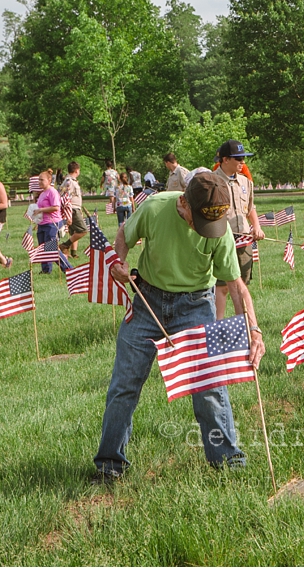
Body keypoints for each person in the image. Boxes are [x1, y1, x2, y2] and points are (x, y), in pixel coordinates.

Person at [92, 171, 266, 483]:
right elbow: (123, 233)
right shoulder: (155, 207)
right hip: (148, 302)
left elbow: (236, 286)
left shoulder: (219, 232)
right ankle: (109, 465)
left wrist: (253, 331)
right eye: (196, 220)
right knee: (124, 384)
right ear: (183, 202)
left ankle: (227, 462)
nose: (201, 230)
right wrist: (118, 260)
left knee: (209, 386)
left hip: (196, 306)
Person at [213, 139, 265, 319]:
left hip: (243, 239)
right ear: (225, 159)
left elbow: (250, 208)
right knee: (222, 285)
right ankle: (218, 324)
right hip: (220, 240)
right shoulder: (213, 182)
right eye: (238, 159)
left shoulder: (245, 182)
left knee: (241, 284)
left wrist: (256, 226)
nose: (242, 162)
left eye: (243, 158)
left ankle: (241, 324)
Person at [30, 169, 61, 274]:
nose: (39, 182)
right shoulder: (43, 193)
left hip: (51, 223)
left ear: (49, 180)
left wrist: (41, 210)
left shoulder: (52, 192)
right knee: (42, 248)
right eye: (38, 180)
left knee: (51, 248)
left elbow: (56, 207)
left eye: (41, 180)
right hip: (42, 224)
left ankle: (68, 268)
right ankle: (46, 270)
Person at [59, 162, 87, 259]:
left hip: (76, 208)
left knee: (74, 232)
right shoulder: (69, 181)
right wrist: (69, 212)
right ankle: (64, 245)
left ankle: (72, 253)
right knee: (83, 230)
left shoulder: (71, 180)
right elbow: (65, 197)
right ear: (76, 170)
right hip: (72, 209)